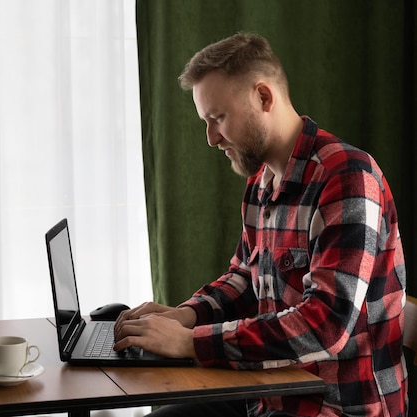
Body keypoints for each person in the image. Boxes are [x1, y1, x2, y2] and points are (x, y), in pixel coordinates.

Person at [113, 32, 407, 417]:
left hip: (336, 407)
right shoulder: (260, 183)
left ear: (263, 98)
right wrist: (184, 315)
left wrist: (191, 342)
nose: (211, 138)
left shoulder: (348, 179)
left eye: (218, 118)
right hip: (268, 394)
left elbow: (325, 326)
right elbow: (243, 279)